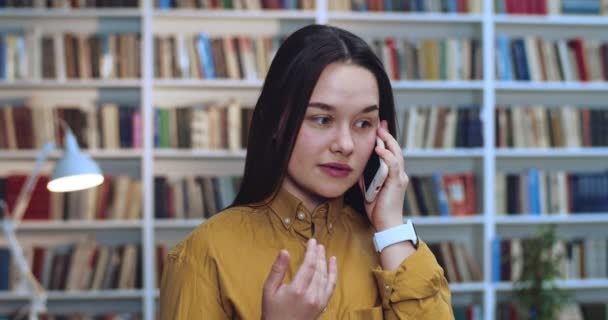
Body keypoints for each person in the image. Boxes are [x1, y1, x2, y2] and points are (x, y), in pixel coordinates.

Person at [160, 24, 453, 319]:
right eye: (323, 119)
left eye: (364, 123)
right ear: (275, 122)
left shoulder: (392, 247)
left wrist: (391, 224)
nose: (345, 145)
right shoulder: (203, 255)